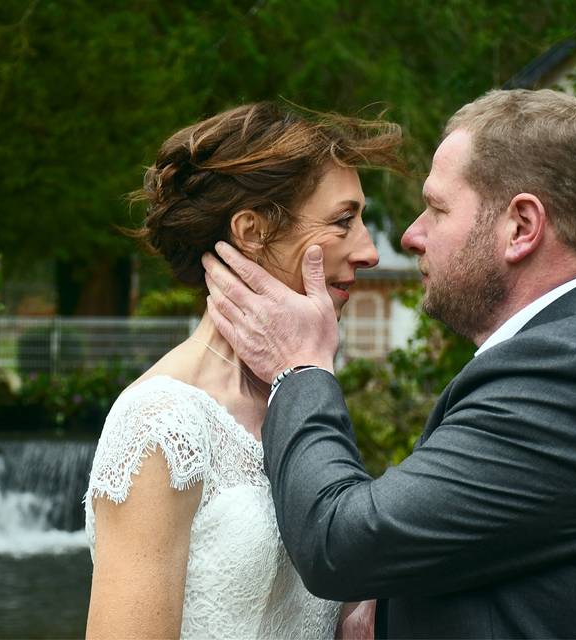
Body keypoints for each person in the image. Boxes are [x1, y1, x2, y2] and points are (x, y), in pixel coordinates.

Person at [202, 89, 576, 638]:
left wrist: (300, 368)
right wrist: (387, 612)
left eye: (437, 208)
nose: (411, 236)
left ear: (522, 227)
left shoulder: (572, 372)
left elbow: (342, 543)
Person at [83, 102, 404, 639]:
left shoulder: (301, 392)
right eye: (343, 220)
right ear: (252, 230)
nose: (370, 251)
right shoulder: (161, 422)